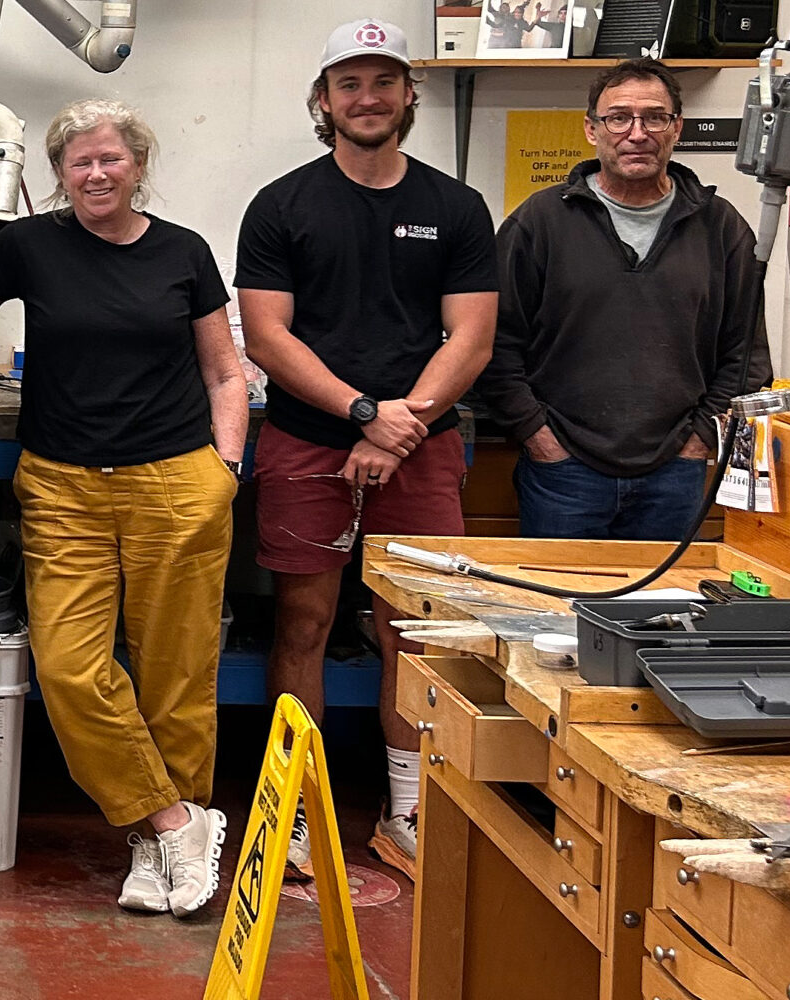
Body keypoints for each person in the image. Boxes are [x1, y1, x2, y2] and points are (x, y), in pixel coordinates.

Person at [0, 99, 243, 917]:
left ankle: (158, 851)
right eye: (79, 161)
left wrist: (226, 468)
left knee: (176, 677)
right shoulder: (26, 247)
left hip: (176, 483)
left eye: (111, 159)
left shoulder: (183, 252)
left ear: (138, 166)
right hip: (63, 488)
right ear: (57, 171)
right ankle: (177, 821)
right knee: (69, 670)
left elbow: (225, 373)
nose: (95, 174)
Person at [237, 18, 498, 882]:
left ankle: (407, 812)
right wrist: (360, 414)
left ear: (408, 95)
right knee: (303, 624)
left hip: (421, 451)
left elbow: (472, 338)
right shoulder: (282, 206)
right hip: (309, 446)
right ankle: (296, 812)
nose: (368, 97)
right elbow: (267, 337)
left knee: (413, 635)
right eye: (349, 83)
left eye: (384, 81)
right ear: (323, 100)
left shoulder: (455, 207)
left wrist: (398, 427)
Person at [476, 59, 766, 541]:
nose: (637, 133)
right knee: (554, 592)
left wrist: (700, 440)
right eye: (618, 118)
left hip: (676, 475)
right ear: (591, 129)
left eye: (655, 117)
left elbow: (745, 357)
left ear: (677, 128)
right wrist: (538, 437)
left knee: (666, 595)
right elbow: (494, 344)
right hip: (562, 476)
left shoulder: (721, 227)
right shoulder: (540, 222)